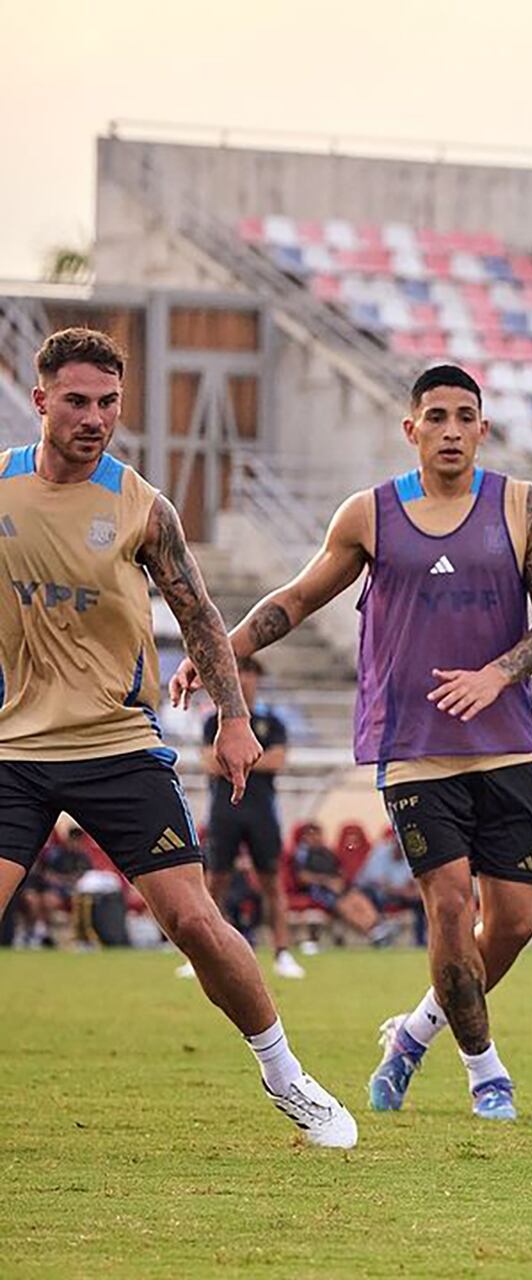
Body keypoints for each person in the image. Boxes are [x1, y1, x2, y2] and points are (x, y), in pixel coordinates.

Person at [171, 362, 532, 1123]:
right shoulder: (371, 515)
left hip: (507, 746)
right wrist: (216, 650)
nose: (450, 430)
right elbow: (294, 599)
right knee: (450, 908)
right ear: (411, 428)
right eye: (436, 416)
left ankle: (414, 1034)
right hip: (413, 747)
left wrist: (497, 674)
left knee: (516, 922)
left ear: (482, 429)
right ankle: (486, 1071)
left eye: (465, 416)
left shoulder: (524, 506)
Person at [0, 327, 354, 1147]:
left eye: (110, 403)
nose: (95, 418)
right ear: (41, 398)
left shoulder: (141, 506)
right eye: (79, 401)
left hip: (118, 747)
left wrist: (234, 720)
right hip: (15, 752)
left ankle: (285, 1075)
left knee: (193, 922)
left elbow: (199, 616)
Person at [177, 655, 302, 979]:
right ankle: (201, 955)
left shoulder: (271, 722)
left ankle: (282, 952)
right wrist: (254, 756)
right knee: (215, 881)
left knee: (272, 882)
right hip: (224, 810)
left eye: (248, 672)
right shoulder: (212, 723)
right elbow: (209, 762)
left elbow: (277, 761)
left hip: (261, 810)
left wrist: (236, 759)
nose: (243, 679)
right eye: (238, 672)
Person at [290, 825, 390, 943]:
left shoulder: (327, 852)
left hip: (338, 887)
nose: (317, 838)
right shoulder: (302, 854)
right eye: (312, 835)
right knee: (344, 905)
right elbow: (303, 877)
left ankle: (378, 926)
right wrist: (326, 881)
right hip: (319, 889)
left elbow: (339, 870)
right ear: (305, 837)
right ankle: (371, 932)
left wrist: (339, 882)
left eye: (318, 834)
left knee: (357, 897)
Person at [18, 828, 93, 948]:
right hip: (50, 889)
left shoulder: (83, 857)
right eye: (73, 839)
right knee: (36, 899)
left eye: (78, 840)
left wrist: (66, 880)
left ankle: (51, 934)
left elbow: (87, 877)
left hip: (71, 892)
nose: (76, 843)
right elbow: (47, 875)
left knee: (51, 900)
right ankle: (35, 932)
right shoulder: (56, 854)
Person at [356, 826, 426, 945]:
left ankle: (420, 941)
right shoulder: (380, 851)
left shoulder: (413, 856)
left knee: (420, 900)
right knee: (372, 894)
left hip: (400, 895)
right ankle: (379, 935)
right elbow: (377, 882)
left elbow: (413, 884)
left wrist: (410, 891)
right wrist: (402, 890)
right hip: (374, 892)